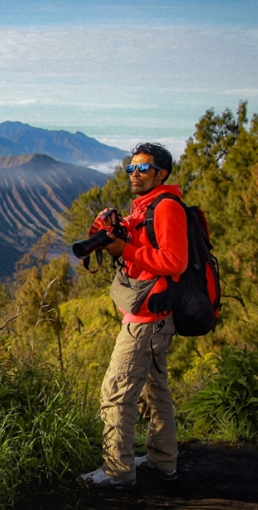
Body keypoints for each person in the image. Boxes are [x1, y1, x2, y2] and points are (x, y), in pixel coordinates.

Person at [79, 143, 187, 488]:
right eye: (130, 168)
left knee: (115, 392)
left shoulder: (166, 207)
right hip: (152, 317)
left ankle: (117, 471)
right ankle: (162, 460)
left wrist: (125, 249)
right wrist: (105, 228)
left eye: (143, 168)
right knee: (156, 390)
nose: (134, 174)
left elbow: (174, 262)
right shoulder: (145, 207)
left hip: (147, 319)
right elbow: (139, 246)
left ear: (162, 173)